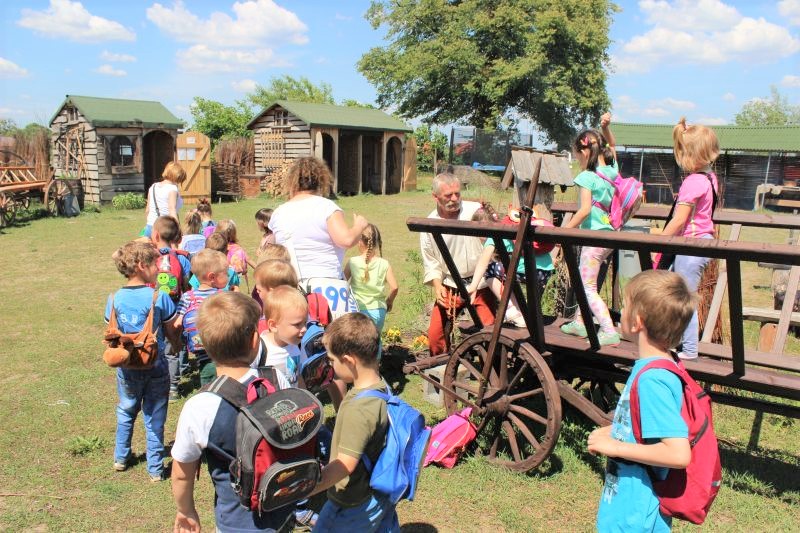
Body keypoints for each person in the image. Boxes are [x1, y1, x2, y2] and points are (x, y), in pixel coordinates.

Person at [171, 292, 292, 532]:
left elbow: (182, 473)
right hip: (283, 506)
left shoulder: (200, 406)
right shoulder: (276, 379)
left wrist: (186, 511)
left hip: (236, 522)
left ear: (204, 345)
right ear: (255, 340)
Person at [587, 270, 694, 532]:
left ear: (637, 321)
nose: (619, 311)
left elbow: (678, 454)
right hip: (628, 502)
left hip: (638, 512)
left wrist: (615, 447)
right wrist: (614, 431)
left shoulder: (652, 380)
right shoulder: (659, 364)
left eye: (623, 306)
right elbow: (645, 426)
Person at [309, 313, 397, 533]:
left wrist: (309, 488)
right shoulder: (381, 386)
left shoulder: (358, 411)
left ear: (348, 360)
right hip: (377, 491)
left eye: (331, 359)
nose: (330, 364)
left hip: (351, 502)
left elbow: (344, 465)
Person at [105, 240, 177, 482]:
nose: (159, 268)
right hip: (156, 366)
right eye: (155, 264)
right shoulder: (159, 297)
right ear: (140, 266)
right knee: (155, 415)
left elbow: (112, 330)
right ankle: (155, 468)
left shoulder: (114, 299)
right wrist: (176, 344)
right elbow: (171, 328)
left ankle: (121, 457)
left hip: (126, 368)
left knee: (126, 409)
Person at [657, 117, 720, 360]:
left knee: (684, 299)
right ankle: (677, 340)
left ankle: (690, 349)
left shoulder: (693, 182)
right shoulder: (710, 178)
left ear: (690, 154)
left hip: (690, 246)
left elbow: (679, 220)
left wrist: (657, 243)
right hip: (701, 241)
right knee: (677, 293)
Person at [560, 112, 621, 346]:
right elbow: (612, 145)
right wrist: (606, 128)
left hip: (593, 238)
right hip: (609, 237)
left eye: (577, 156)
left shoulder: (587, 177)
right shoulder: (612, 171)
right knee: (588, 281)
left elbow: (584, 210)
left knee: (587, 287)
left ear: (584, 152)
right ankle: (579, 321)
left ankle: (607, 329)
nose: (578, 161)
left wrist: (564, 230)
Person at [420, 171, 495, 356]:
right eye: (448, 195)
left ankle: (489, 370)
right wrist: (438, 285)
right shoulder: (429, 224)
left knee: (491, 331)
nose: (455, 199)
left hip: (482, 283)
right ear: (435, 197)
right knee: (436, 335)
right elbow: (431, 261)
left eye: (457, 193)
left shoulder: (474, 211)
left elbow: (494, 239)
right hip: (451, 285)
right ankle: (441, 369)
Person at [466, 204, 554, 327]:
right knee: (508, 272)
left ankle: (514, 311)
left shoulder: (493, 235)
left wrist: (473, 286)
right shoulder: (510, 227)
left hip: (528, 271)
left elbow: (483, 262)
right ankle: (530, 313)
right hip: (545, 271)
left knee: (491, 270)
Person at [149, 216, 192, 402]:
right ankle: (174, 384)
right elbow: (186, 282)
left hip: (155, 307)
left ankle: (157, 379)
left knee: (157, 344)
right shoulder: (182, 259)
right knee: (174, 345)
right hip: (175, 307)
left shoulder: (149, 257)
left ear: (156, 235)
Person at [173, 249, 230, 386]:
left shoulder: (188, 297)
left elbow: (177, 323)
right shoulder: (222, 296)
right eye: (226, 273)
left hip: (200, 350)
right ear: (212, 277)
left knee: (207, 378)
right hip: (223, 349)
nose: (228, 276)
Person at [345, 223, 398, 359]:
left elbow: (342, 283)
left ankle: (357, 373)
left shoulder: (352, 262)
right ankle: (375, 370)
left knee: (356, 343)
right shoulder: (384, 264)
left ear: (360, 242)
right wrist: (389, 302)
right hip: (378, 310)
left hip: (357, 309)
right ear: (377, 242)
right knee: (375, 340)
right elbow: (394, 287)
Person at [260, 285, 308, 387]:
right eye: (297, 324)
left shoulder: (296, 343)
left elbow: (299, 376)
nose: (304, 329)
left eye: (305, 323)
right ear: (273, 325)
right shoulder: (260, 350)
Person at [143, 162, 186, 238]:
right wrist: (178, 228)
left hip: (150, 227)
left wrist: (149, 224)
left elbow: (147, 210)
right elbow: (172, 210)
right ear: (177, 176)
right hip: (165, 228)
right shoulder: (172, 189)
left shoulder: (153, 187)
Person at [215, 219, 254, 288]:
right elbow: (244, 269)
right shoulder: (238, 249)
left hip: (217, 284)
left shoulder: (214, 247)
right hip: (233, 286)